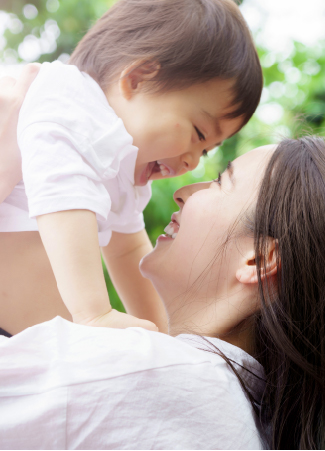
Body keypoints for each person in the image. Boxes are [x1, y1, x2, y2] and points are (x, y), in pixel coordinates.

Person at [1, 132, 324, 449]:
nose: (183, 191)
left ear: (257, 260)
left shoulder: (160, 377)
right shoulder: (246, 418)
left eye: (221, 182)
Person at [0, 0, 262, 335]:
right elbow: (62, 197)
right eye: (198, 133)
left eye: (206, 151)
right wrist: (94, 312)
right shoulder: (70, 101)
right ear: (137, 79)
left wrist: (166, 333)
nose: (192, 161)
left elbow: (127, 251)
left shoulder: (122, 164)